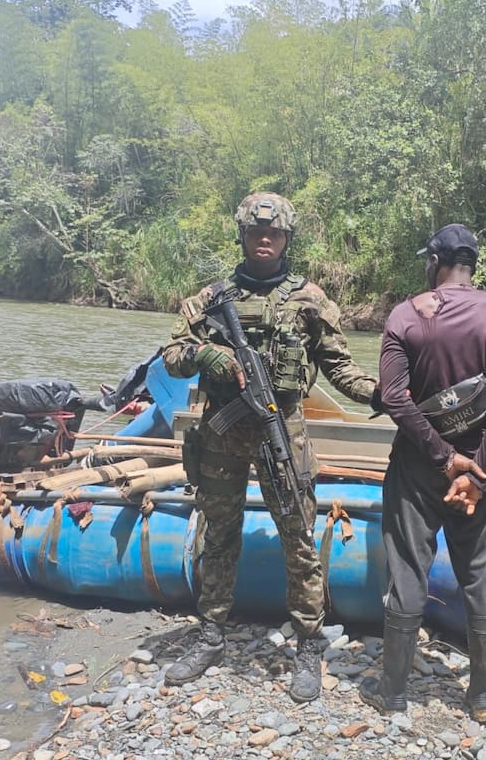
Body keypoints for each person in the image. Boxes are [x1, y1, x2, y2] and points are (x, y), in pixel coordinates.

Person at [161, 192, 378, 702]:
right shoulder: (210, 298)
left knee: (298, 536)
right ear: (242, 235)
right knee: (218, 533)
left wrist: (381, 394)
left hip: (283, 431)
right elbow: (171, 355)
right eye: (257, 232)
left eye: (275, 233)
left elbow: (340, 366)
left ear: (286, 239)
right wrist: (206, 355)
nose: (265, 240)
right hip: (221, 432)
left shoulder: (311, 300)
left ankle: (307, 642)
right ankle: (211, 631)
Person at [359, 224, 486, 723]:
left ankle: (392, 691)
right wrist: (477, 470)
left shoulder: (406, 315)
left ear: (434, 261)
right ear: (472, 264)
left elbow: (393, 397)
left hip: (416, 467)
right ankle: (481, 696)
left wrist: (441, 456)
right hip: (480, 472)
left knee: (409, 567)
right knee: (481, 573)